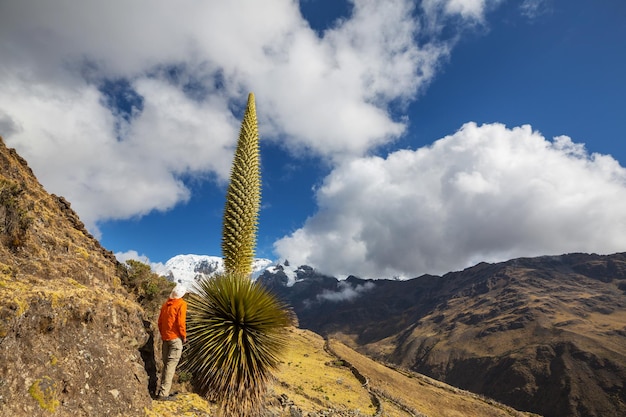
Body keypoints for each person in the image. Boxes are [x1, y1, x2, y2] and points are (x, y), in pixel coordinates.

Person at [156, 284, 187, 400]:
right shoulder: (181, 304)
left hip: (165, 339)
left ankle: (162, 390)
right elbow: (180, 322)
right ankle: (163, 394)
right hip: (175, 338)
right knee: (170, 366)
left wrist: (164, 334)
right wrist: (183, 336)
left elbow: (160, 322)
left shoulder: (165, 305)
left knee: (166, 365)